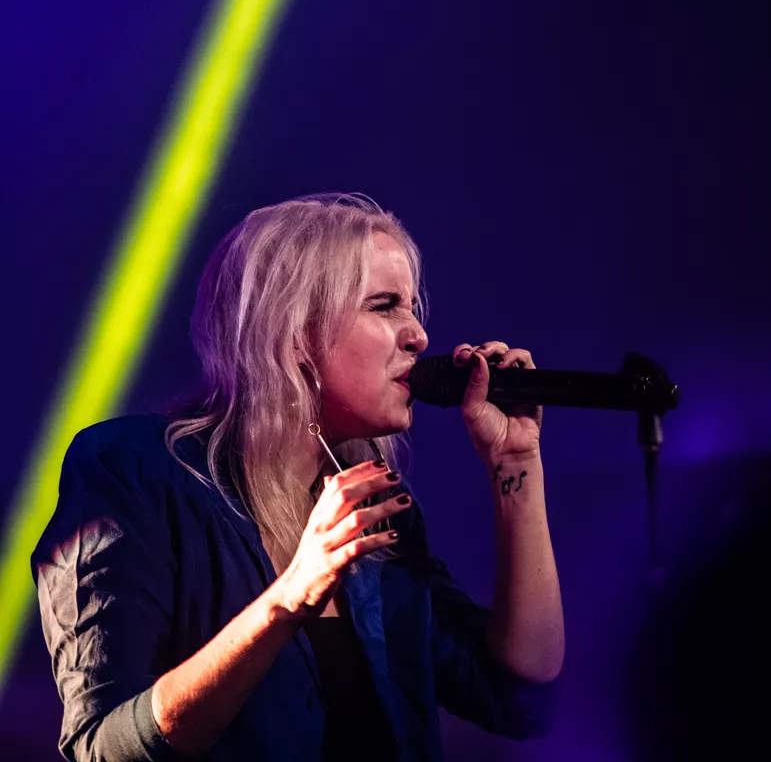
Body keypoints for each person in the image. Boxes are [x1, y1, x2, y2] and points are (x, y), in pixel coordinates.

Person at [32, 193, 564, 760]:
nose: (419, 336)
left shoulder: (375, 508)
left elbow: (518, 698)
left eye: (412, 308)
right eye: (384, 306)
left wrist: (516, 464)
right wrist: (286, 600)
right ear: (293, 333)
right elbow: (102, 746)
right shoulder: (136, 472)